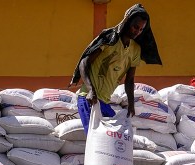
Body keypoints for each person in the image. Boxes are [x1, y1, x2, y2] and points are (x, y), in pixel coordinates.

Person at [69, 3, 162, 134]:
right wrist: (91, 90)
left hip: (105, 102)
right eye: (135, 27)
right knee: (94, 138)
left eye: (141, 29)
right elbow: (84, 63)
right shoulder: (110, 38)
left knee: (114, 136)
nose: (137, 32)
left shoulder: (135, 49)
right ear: (128, 22)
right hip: (89, 99)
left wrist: (131, 104)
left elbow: (129, 79)